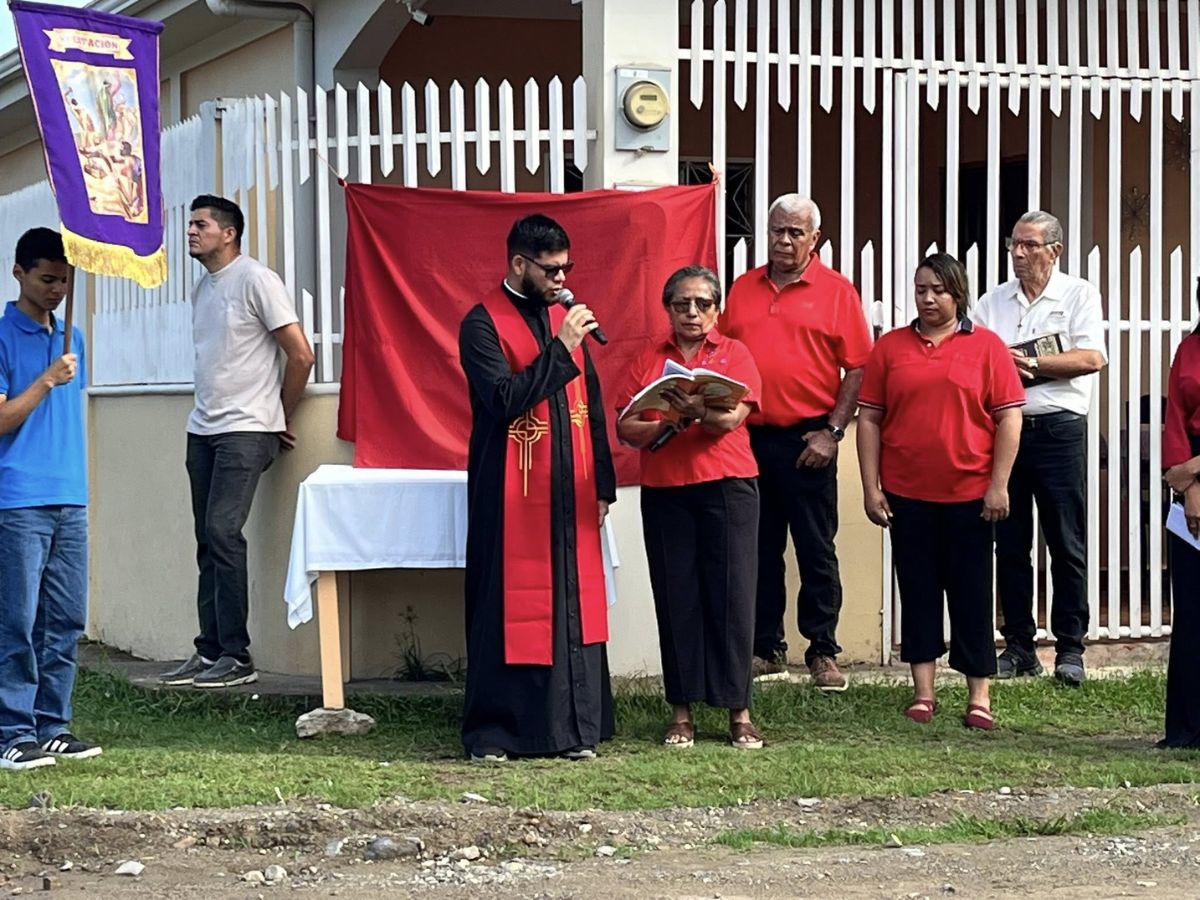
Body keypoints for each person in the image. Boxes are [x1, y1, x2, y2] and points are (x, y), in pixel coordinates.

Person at [458, 214, 617, 763]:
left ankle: (575, 729)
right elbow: (501, 400)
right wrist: (563, 346)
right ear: (519, 263)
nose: (561, 278)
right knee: (511, 603)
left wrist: (604, 483)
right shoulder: (480, 323)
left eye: (566, 268)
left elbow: (591, 405)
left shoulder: (564, 318)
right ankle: (499, 732)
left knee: (573, 602)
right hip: (510, 489)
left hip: (569, 487)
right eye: (550, 269)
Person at [858, 254, 1024, 729]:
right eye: (920, 290)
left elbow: (1009, 416)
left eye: (938, 290)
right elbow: (869, 417)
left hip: (971, 494)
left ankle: (979, 697)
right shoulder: (890, 348)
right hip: (909, 495)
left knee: (972, 593)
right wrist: (871, 488)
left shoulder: (987, 347)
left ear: (958, 294)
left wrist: (998, 484)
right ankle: (924, 691)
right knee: (918, 590)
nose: (928, 299)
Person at [158, 195, 314, 689]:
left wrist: (277, 417)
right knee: (208, 538)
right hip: (202, 429)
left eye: (201, 225)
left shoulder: (256, 280)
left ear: (229, 233)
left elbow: (301, 355)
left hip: (247, 430)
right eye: (191, 225)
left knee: (224, 533)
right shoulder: (204, 288)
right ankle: (209, 654)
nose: (191, 232)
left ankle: (237, 657)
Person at [718, 194, 872, 691]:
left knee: (814, 547)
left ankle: (823, 650)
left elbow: (860, 367)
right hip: (750, 435)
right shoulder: (742, 289)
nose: (784, 241)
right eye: (776, 231)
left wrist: (832, 432)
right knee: (757, 545)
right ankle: (766, 648)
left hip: (810, 439)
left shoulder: (836, 292)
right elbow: (722, 352)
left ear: (815, 239)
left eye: (795, 233)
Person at [615, 265, 764, 749]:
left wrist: (695, 410)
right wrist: (667, 422)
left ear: (717, 309)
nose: (693, 313)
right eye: (682, 304)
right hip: (667, 487)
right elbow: (625, 427)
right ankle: (681, 712)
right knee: (676, 594)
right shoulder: (648, 356)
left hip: (729, 484)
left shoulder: (735, 352)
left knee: (733, 596)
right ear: (668, 309)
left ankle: (738, 712)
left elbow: (732, 418)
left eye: (703, 304)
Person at [970, 211, 1107, 685]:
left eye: (1029, 245)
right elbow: (980, 360)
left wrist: (1029, 363)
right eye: (1014, 245)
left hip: (1059, 428)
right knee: (1010, 542)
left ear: (1055, 250)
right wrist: (1017, 367)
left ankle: (1071, 648)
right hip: (1005, 428)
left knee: (1066, 542)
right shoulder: (993, 303)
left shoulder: (1078, 294)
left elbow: (1091, 357)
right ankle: (1020, 646)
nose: (1019, 254)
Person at [0, 228, 100, 769]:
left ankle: (52, 724)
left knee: (64, 618)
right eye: (46, 279)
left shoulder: (73, 338)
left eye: (64, 279)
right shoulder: (1, 336)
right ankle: (10, 731)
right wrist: (44, 380)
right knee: (16, 617)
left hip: (70, 494)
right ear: (18, 273)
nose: (57, 288)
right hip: (16, 499)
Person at [1159, 302, 1200, 748]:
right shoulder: (1188, 349)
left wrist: (1195, 468)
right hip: (1191, 485)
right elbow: (1175, 422)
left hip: (1195, 466)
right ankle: (1188, 728)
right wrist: (1190, 487)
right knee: (1192, 611)